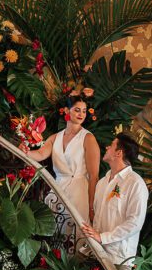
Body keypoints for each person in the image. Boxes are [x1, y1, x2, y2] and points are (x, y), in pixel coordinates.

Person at [25, 94, 100, 231]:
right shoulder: (55, 138)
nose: (81, 114)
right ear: (66, 110)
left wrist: (91, 206)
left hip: (80, 194)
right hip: (58, 189)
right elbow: (40, 154)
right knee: (55, 234)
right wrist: (26, 151)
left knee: (74, 234)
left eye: (84, 111)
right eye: (77, 110)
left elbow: (94, 176)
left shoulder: (88, 138)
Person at [81, 132, 148, 270]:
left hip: (118, 258)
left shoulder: (135, 183)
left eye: (111, 145)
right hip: (95, 254)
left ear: (119, 153)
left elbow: (135, 223)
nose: (107, 147)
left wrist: (103, 237)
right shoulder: (103, 182)